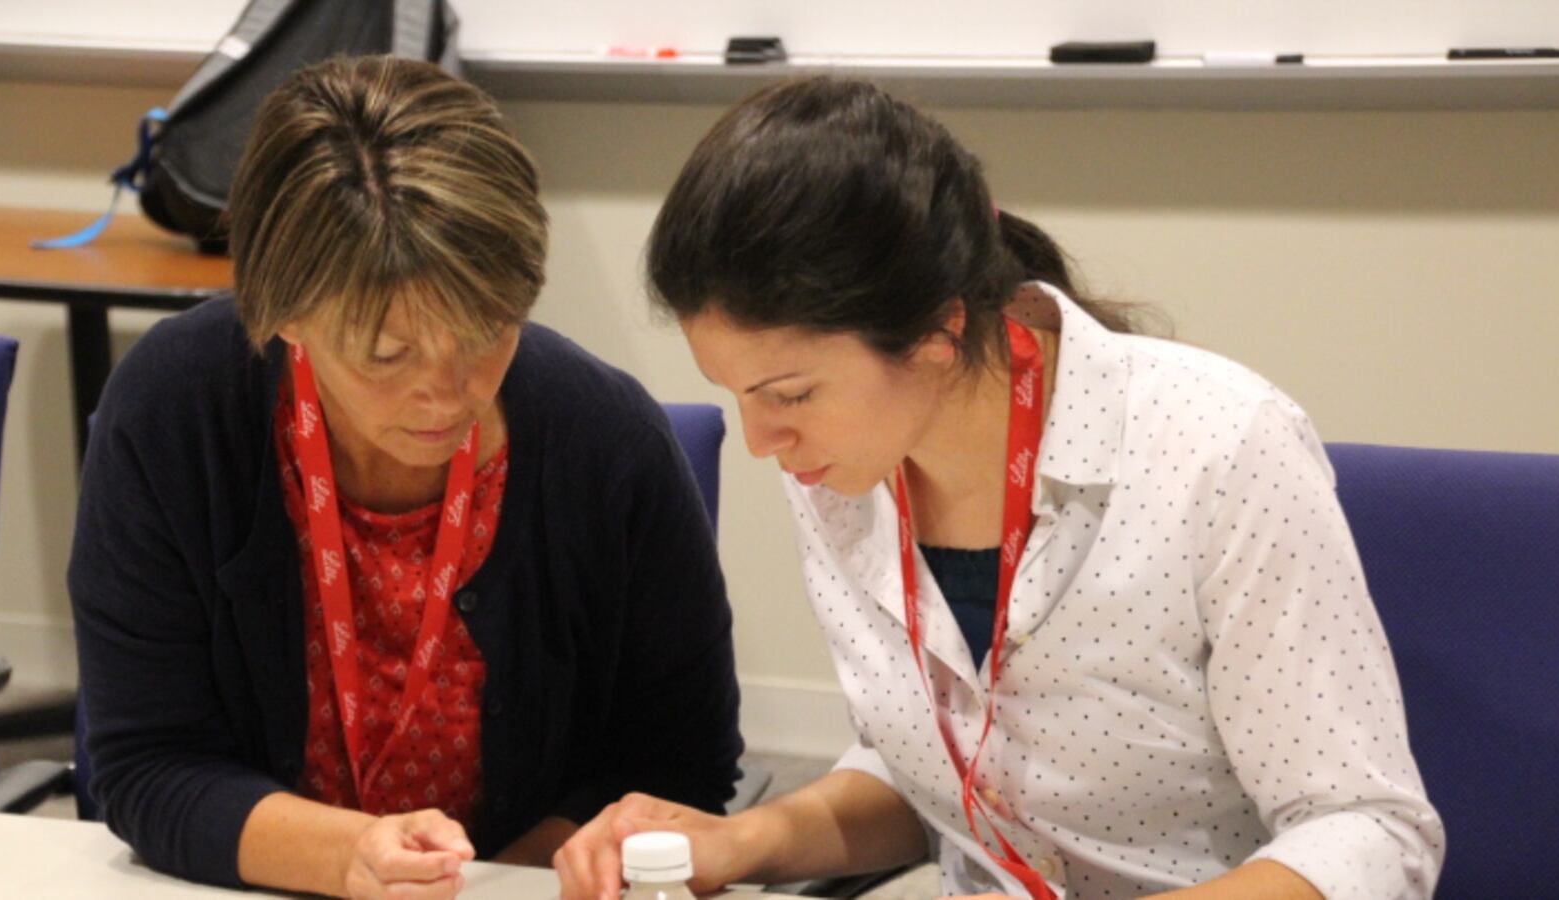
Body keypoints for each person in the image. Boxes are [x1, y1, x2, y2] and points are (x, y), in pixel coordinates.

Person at [554, 78, 1444, 899]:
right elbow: (943, 773)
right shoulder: (839, 470)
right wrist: (744, 841)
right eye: (737, 396)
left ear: (939, 333)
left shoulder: (1216, 447)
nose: (759, 442)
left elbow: (1366, 830)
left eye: (789, 395)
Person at [69, 55, 742, 900]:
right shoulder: (174, 413)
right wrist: (350, 856)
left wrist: (509, 877)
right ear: (286, 316)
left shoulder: (610, 445)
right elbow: (147, 766)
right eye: (388, 354)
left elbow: (681, 766)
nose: (447, 393)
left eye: (490, 330)